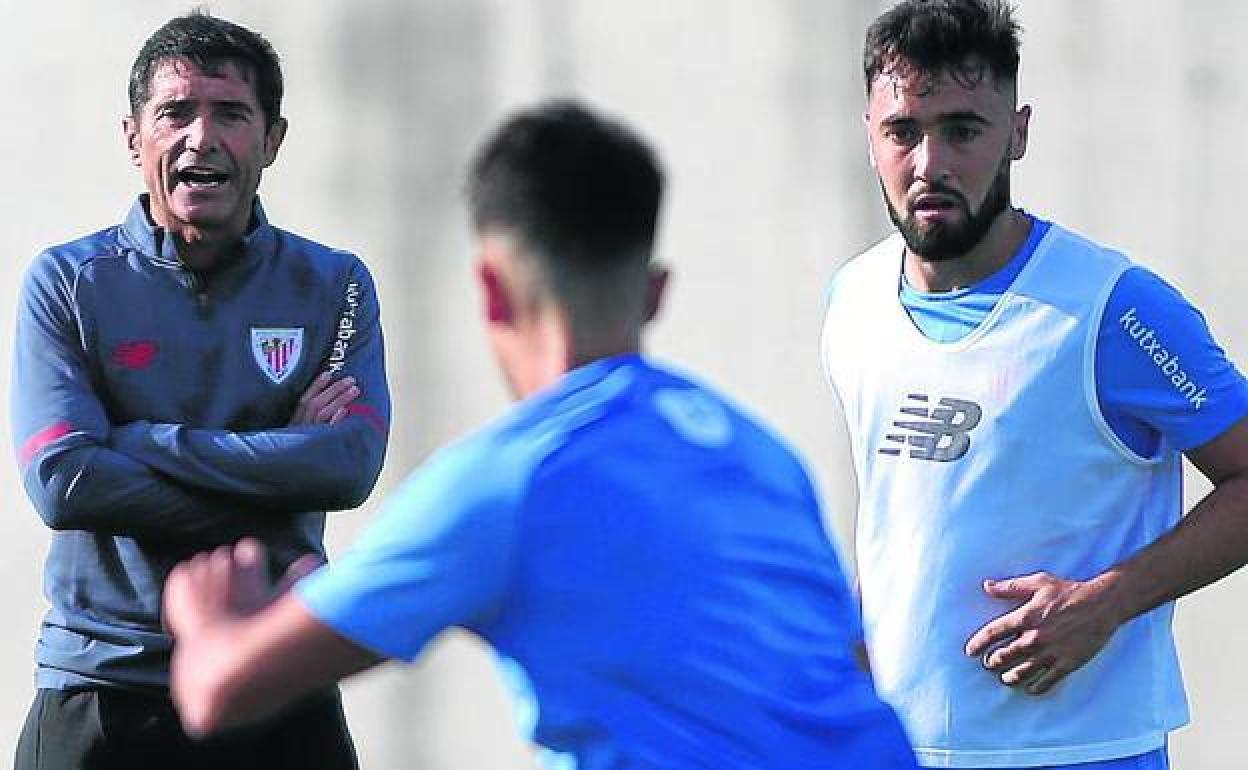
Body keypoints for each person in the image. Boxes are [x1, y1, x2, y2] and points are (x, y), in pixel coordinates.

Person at [161, 100, 920, 769]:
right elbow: (845, 668)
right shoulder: (756, 452)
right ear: (655, 292)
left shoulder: (510, 480)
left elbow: (219, 690)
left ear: (490, 289)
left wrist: (206, 620)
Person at [821, 0, 1248, 768]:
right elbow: (906, 515)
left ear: (1017, 132)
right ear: (869, 136)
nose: (930, 164)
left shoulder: (1114, 308)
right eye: (902, 131)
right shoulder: (852, 301)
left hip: (1086, 751)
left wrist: (1108, 602)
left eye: (962, 129)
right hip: (896, 750)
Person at [11, 11, 390, 770]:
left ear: (272, 140)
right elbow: (63, 479)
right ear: (133, 137)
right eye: (175, 112)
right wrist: (275, 475)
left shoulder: (334, 286)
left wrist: (143, 441)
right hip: (105, 685)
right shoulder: (66, 283)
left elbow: (347, 466)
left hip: (277, 678)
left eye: (231, 113)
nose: (200, 137)